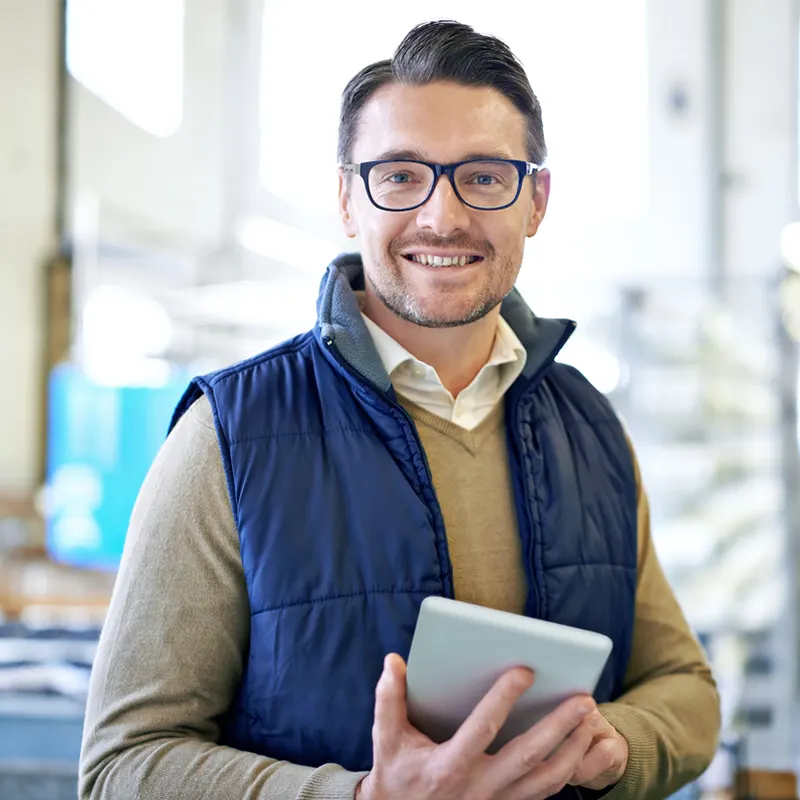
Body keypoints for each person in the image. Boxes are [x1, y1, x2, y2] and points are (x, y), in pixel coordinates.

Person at [79, 20, 721, 800]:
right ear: (348, 199)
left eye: (484, 176)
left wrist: (612, 745)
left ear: (536, 201)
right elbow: (123, 765)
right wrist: (361, 797)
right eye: (400, 175)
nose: (442, 216)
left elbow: (686, 689)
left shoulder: (590, 427)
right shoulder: (230, 434)